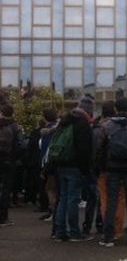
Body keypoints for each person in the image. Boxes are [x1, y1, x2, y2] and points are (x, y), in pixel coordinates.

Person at [98, 97, 127, 247]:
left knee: (111, 201)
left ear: (116, 108)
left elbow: (101, 149)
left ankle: (108, 236)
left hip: (112, 168)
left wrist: (102, 165)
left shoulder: (107, 126)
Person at [52, 95, 94, 242]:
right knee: (73, 200)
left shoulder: (64, 121)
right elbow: (84, 150)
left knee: (63, 198)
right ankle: (74, 232)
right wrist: (85, 171)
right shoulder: (83, 124)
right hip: (75, 166)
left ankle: (60, 231)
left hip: (60, 164)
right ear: (88, 110)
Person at [0, 103, 25, 227]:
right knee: (5, 189)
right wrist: (16, 157)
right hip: (9, 160)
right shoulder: (15, 126)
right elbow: (21, 144)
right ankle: (3, 218)